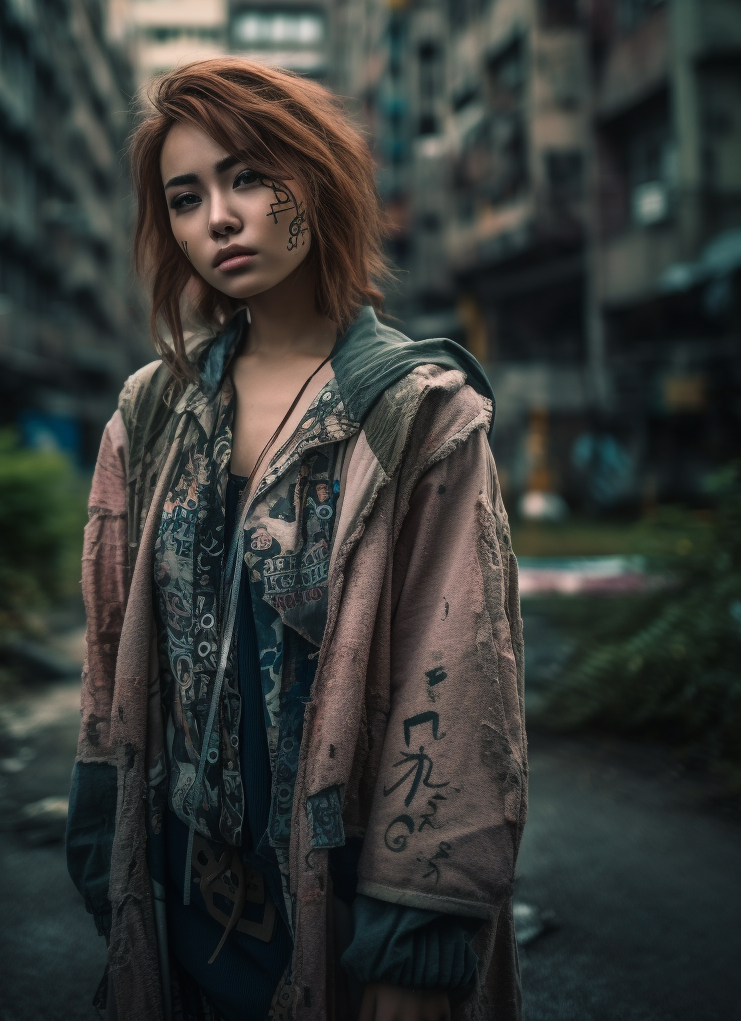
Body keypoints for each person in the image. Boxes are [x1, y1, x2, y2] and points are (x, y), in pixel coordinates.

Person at [66, 58, 526, 1021]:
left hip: (351, 891)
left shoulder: (417, 415)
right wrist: (105, 832)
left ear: (312, 177)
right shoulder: (150, 413)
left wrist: (415, 933)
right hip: (186, 891)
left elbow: (460, 677)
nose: (218, 220)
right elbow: (112, 657)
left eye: (246, 178)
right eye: (185, 199)